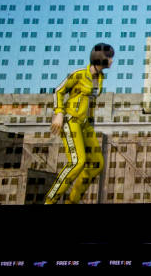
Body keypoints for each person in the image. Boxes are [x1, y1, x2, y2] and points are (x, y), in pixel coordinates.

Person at [45, 43, 114, 204]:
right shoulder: (79, 74)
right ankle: (50, 201)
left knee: (97, 163)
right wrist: (59, 113)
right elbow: (59, 91)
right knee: (77, 162)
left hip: (85, 125)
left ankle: (72, 201)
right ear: (100, 58)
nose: (111, 61)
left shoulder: (100, 78)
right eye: (109, 57)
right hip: (71, 120)